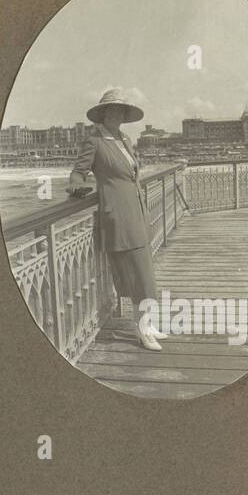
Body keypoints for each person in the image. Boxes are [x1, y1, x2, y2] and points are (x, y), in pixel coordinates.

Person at [67, 87, 164, 350]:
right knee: (137, 274)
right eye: (113, 109)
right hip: (118, 215)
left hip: (137, 210)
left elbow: (131, 175)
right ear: (104, 113)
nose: (118, 114)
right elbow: (78, 171)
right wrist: (76, 187)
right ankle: (143, 331)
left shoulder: (124, 140)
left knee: (145, 270)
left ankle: (148, 323)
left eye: (122, 110)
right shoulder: (94, 141)